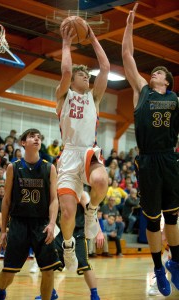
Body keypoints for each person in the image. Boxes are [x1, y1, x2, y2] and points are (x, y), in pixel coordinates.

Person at [122, 3, 179, 296]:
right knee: (153, 219)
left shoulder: (176, 100)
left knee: (173, 216)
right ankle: (159, 267)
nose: (152, 73)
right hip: (147, 159)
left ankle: (176, 262)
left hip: (169, 158)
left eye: (157, 72)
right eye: (152, 72)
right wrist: (130, 24)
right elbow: (127, 55)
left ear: (166, 81)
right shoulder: (141, 91)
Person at [56, 20, 110, 271]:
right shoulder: (63, 95)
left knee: (101, 182)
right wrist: (66, 43)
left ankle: (92, 211)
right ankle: (68, 245)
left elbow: (106, 66)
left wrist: (91, 37)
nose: (86, 77)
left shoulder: (94, 97)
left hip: (88, 149)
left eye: (87, 75)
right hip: (68, 154)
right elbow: (66, 72)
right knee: (66, 213)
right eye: (82, 74)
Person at [0, 128, 62, 300]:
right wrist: (3, 231)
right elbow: (7, 201)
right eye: (32, 136)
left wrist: (52, 223)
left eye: (39, 137)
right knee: (8, 271)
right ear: (23, 143)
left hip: (42, 224)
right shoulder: (13, 168)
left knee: (48, 270)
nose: (37, 139)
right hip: (19, 223)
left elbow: (54, 200)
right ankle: (1, 291)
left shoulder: (49, 168)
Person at [35, 192, 102, 300]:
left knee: (84, 264)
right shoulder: (56, 191)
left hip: (77, 233)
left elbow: (91, 213)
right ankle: (50, 292)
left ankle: (94, 295)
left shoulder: (82, 194)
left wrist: (98, 231)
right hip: (61, 233)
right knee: (48, 264)